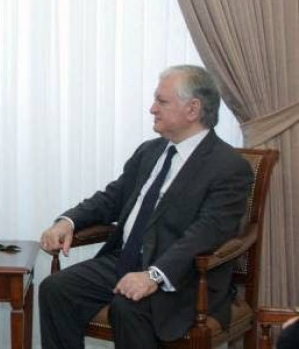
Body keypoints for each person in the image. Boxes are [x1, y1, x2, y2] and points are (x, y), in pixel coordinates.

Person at [39, 65, 254, 349]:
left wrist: (154, 275)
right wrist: (68, 221)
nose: (152, 108)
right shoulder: (150, 151)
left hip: (184, 277)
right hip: (124, 261)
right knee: (55, 289)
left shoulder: (228, 166)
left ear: (193, 109)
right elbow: (112, 198)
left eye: (161, 101)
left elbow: (207, 232)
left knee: (127, 307)